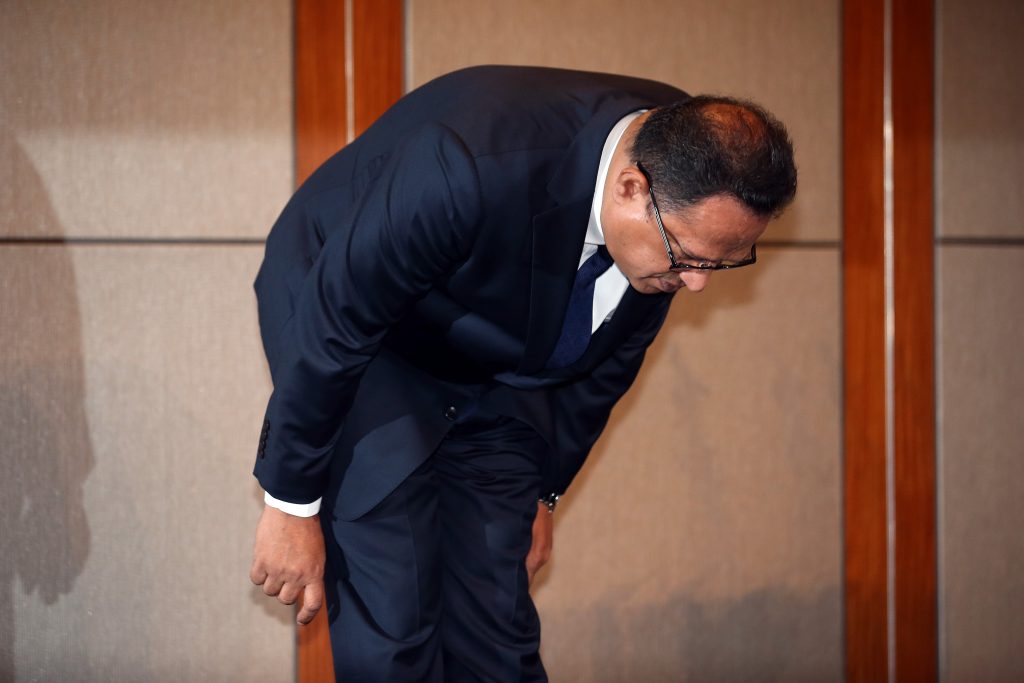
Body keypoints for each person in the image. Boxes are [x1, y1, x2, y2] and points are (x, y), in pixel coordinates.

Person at [249, 65, 796, 681]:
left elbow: (606, 363)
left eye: (721, 263)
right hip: (364, 329)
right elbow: (339, 322)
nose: (696, 283)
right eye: (688, 258)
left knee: (495, 617)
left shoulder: (689, 155)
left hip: (500, 340)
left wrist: (543, 492)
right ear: (629, 188)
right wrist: (291, 504)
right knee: (395, 599)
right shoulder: (466, 162)